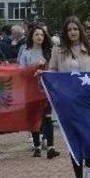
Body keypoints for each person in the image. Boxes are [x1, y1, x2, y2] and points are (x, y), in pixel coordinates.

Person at [49, 16, 90, 178]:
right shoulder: (58, 50)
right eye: (69, 30)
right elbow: (53, 70)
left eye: (75, 29)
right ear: (65, 32)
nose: (72, 32)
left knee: (89, 138)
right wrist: (44, 76)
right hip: (67, 101)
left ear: (80, 30)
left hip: (88, 100)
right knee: (73, 139)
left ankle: (89, 167)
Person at [17, 25, 59, 160]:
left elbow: (55, 69)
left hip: (46, 89)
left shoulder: (50, 52)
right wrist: (34, 68)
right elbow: (22, 72)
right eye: (37, 35)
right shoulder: (26, 52)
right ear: (32, 37)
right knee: (34, 118)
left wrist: (44, 71)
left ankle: (51, 147)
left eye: (42, 34)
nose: (40, 37)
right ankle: (37, 146)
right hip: (31, 89)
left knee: (47, 117)